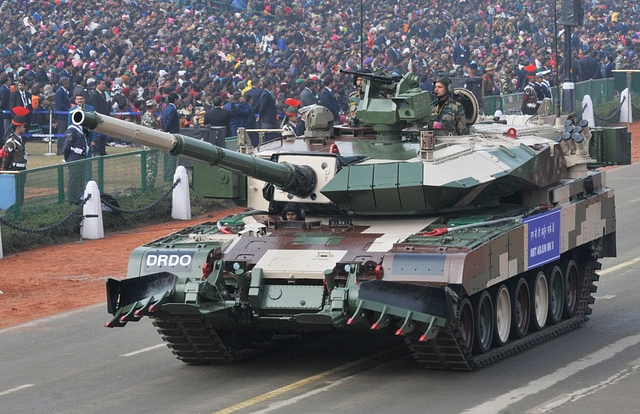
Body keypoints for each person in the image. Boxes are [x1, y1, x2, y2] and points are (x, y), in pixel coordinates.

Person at [0, 107, 29, 206]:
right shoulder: (11, 142)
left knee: (20, 190)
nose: (24, 128)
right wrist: (4, 170)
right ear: (18, 128)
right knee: (14, 191)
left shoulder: (19, 140)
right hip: (14, 169)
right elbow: (6, 157)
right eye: (23, 127)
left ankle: (19, 208)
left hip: (21, 168)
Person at [62, 123, 90, 202]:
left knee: (80, 181)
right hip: (74, 158)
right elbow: (66, 148)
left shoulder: (82, 129)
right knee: (74, 181)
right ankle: (71, 200)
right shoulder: (72, 130)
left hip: (81, 158)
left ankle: (79, 199)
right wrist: (68, 159)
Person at [141, 99, 160, 189]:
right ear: (152, 107)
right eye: (155, 106)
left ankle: (150, 185)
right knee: (151, 167)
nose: (156, 107)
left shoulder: (150, 116)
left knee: (152, 166)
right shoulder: (148, 118)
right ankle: (149, 187)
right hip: (150, 146)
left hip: (151, 145)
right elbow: (151, 131)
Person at [88, 78, 110, 156]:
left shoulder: (103, 94)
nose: (104, 86)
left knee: (103, 136)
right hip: (98, 118)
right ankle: (96, 151)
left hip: (104, 117)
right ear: (97, 85)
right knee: (97, 136)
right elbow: (95, 107)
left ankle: (102, 150)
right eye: (102, 84)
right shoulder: (95, 95)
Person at [161, 92, 180, 182]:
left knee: (167, 158)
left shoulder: (166, 108)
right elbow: (169, 122)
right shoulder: (172, 110)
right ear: (175, 100)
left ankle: (166, 175)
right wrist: (166, 132)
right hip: (171, 135)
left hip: (167, 134)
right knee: (171, 158)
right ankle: (169, 177)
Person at [55, 77, 71, 155]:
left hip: (65, 115)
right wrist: (69, 110)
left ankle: (63, 148)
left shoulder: (64, 91)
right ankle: (60, 149)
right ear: (64, 83)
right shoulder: (59, 92)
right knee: (61, 133)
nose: (68, 84)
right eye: (67, 83)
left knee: (64, 132)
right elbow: (60, 104)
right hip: (62, 116)